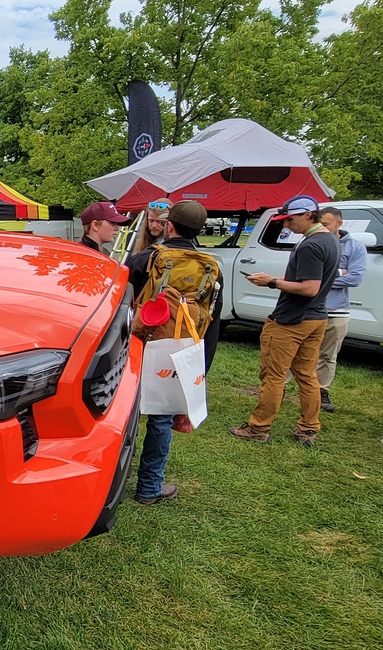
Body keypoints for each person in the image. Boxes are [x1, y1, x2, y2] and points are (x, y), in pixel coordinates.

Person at [126, 200, 218, 504]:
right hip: (182, 349)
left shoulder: (145, 259)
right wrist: (202, 364)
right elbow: (212, 320)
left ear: (169, 224)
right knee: (161, 419)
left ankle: (113, 482)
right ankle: (149, 488)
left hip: (141, 345)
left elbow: (120, 306)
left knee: (125, 416)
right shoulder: (211, 266)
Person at [230, 195, 339, 446]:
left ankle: (258, 428)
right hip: (316, 318)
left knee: (274, 376)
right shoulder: (330, 240)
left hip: (291, 321)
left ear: (308, 215)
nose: (287, 226)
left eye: (290, 220)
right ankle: (309, 428)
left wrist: (271, 281)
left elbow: (310, 287)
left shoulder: (311, 245)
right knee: (307, 375)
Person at [313, 206, 366, 412]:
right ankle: (279, 388)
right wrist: (338, 273)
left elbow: (355, 278)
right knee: (296, 351)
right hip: (310, 309)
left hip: (337, 311)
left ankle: (321, 390)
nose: (322, 227)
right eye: (319, 223)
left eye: (325, 224)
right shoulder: (311, 241)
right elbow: (301, 275)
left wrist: (320, 279)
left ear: (339, 223)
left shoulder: (355, 247)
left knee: (328, 355)